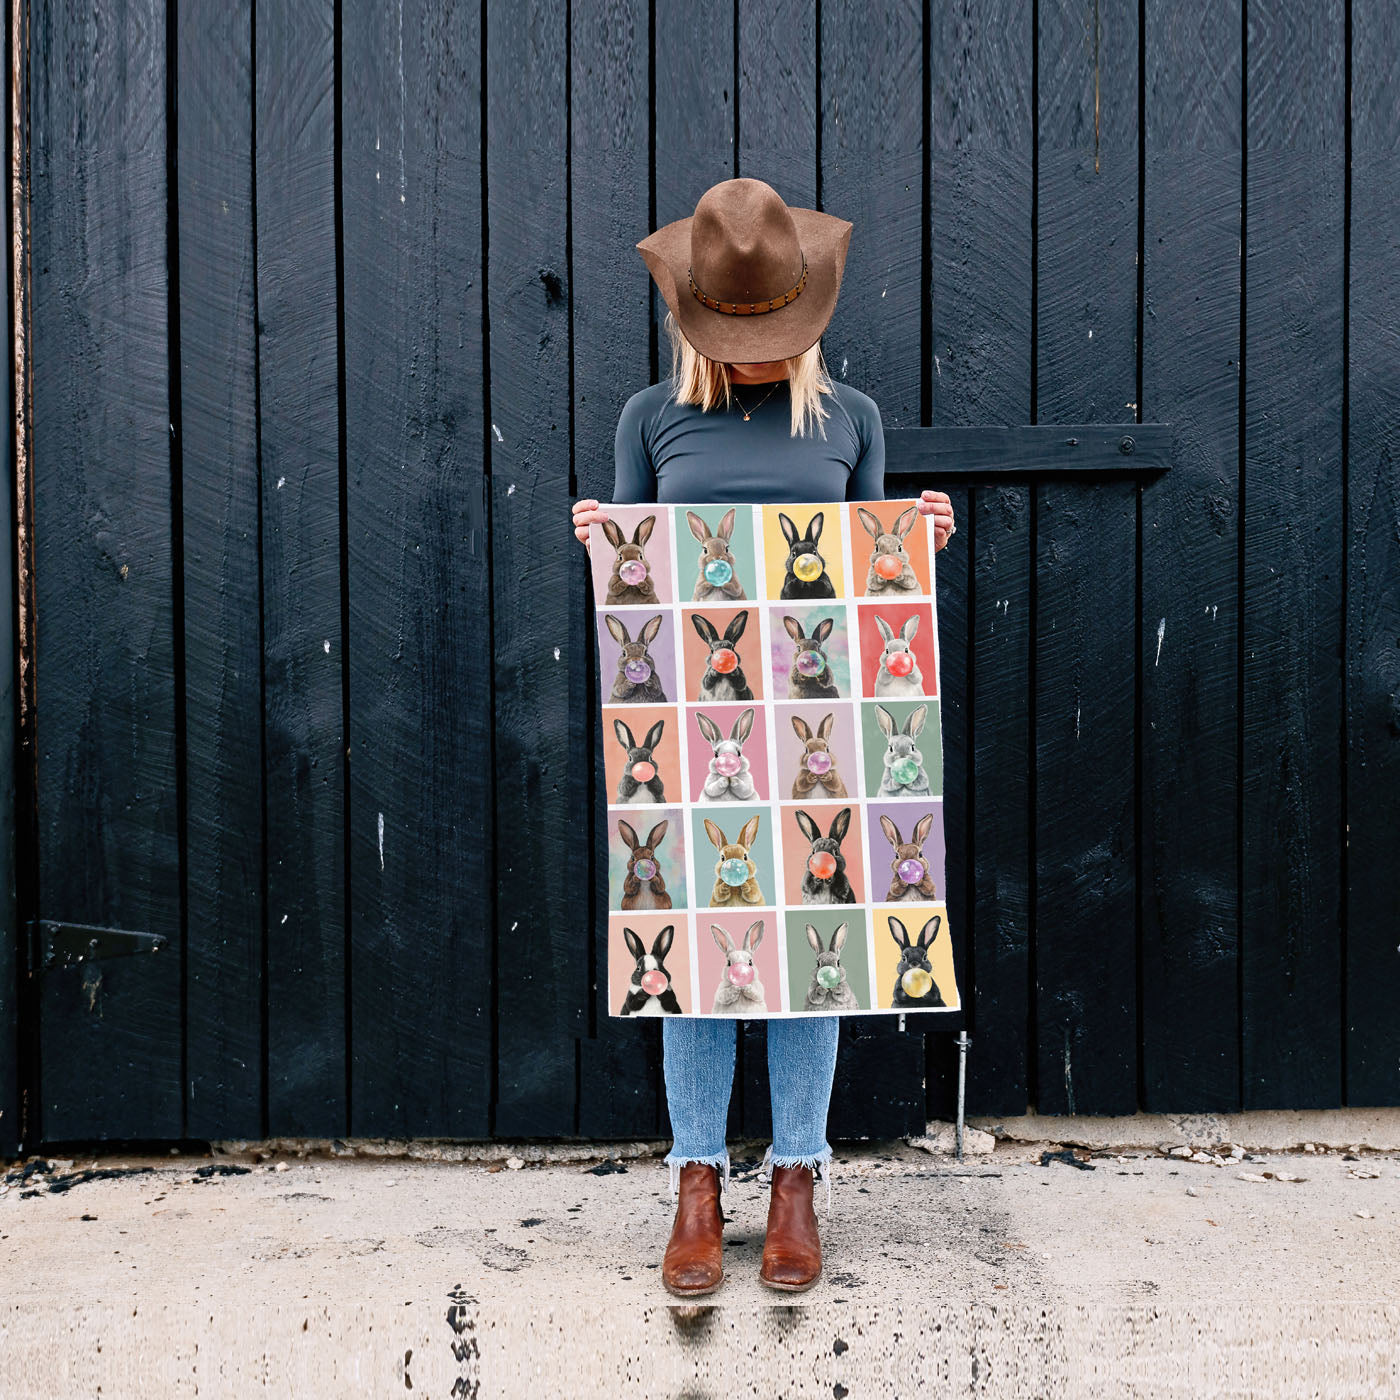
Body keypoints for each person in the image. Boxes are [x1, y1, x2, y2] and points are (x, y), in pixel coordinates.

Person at [572, 178, 955, 1296]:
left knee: (810, 958)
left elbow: (866, 576)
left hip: (822, 729)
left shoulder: (851, 420)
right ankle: (696, 1178)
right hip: (687, 734)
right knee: (691, 949)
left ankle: (795, 1178)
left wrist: (910, 533)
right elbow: (633, 586)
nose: (749, 351)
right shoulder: (650, 417)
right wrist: (606, 534)